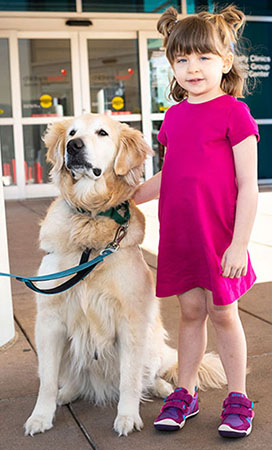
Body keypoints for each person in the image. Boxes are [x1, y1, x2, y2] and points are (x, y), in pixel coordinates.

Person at [134, 4, 259, 439]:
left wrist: (240, 244)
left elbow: (249, 186)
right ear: (171, 63)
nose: (192, 67)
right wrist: (128, 196)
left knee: (223, 314)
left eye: (204, 57)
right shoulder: (173, 117)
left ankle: (238, 397)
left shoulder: (234, 113)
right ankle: (184, 392)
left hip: (220, 237)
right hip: (180, 236)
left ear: (225, 61)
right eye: (182, 58)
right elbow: (171, 173)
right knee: (189, 312)